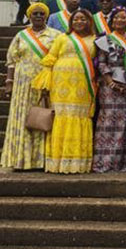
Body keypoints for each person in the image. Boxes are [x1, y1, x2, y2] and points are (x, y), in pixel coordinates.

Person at [32, 9, 97, 173]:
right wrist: (46, 83)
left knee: (79, 116)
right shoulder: (62, 38)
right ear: (71, 22)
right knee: (61, 116)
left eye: (83, 19)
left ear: (89, 21)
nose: (79, 22)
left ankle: (78, 163)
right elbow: (50, 59)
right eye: (76, 19)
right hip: (60, 85)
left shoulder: (95, 40)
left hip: (84, 84)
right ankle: (57, 161)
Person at [1, 3, 60, 170]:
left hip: (45, 84)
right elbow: (11, 61)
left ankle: (41, 161)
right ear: (29, 16)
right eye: (35, 14)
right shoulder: (21, 35)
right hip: (22, 85)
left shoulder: (55, 35)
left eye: (42, 13)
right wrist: (9, 82)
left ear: (47, 16)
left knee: (43, 119)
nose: (39, 16)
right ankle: (21, 160)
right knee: (23, 119)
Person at [92, 8, 126, 172]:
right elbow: (102, 63)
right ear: (111, 21)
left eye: (123, 17)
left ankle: (122, 162)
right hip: (109, 87)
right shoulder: (104, 40)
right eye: (116, 17)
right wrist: (111, 82)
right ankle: (104, 162)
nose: (120, 20)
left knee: (125, 123)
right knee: (108, 122)